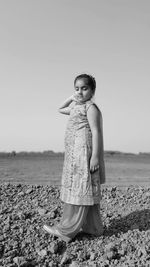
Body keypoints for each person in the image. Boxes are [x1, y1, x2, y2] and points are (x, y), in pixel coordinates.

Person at [43, 74, 105, 242]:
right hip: (73, 154)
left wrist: (95, 158)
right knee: (78, 187)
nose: (80, 92)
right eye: (77, 88)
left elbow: (97, 132)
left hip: (84, 152)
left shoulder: (90, 108)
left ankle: (67, 230)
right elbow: (60, 109)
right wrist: (71, 98)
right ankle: (93, 228)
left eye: (84, 89)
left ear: (92, 91)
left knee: (81, 188)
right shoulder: (76, 106)